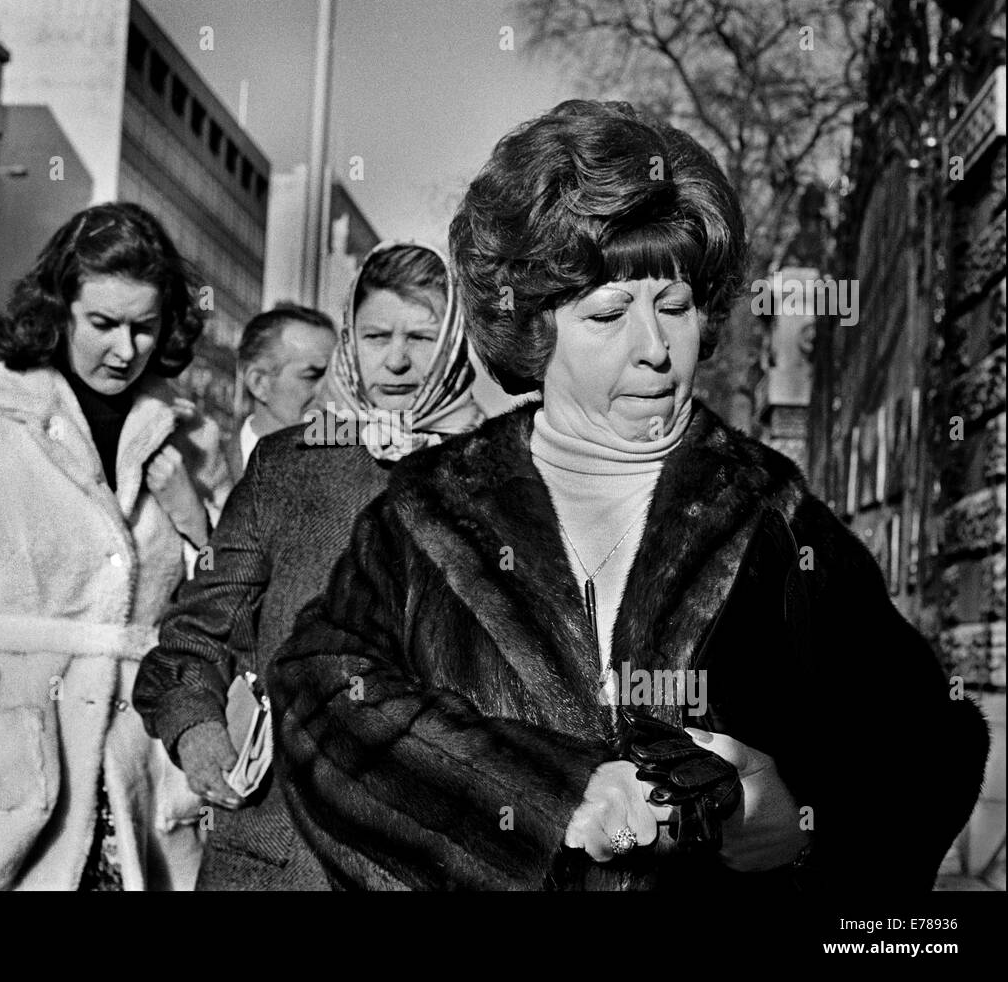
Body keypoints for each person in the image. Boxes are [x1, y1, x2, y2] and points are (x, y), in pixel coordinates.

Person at [271, 100, 990, 891]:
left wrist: (807, 816)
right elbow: (320, 691)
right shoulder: (427, 514)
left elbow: (936, 744)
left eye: (675, 306)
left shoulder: (769, 520)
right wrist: (539, 792)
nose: (656, 349)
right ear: (537, 332)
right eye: (610, 313)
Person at [0, 203, 232, 891]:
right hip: (9, 790)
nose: (126, 348)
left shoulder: (197, 445)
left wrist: (195, 520)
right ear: (59, 311)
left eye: (145, 326)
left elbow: (226, 615)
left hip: (143, 792)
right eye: (104, 323)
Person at [132, 240, 483, 889]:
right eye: (377, 335)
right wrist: (197, 728)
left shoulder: (507, 483)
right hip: (275, 855)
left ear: (459, 341)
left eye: (422, 336)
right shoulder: (287, 465)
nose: (398, 359)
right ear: (352, 341)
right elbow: (193, 632)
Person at [231, 303, 336, 479]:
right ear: (259, 383)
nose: (332, 392)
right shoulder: (200, 469)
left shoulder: (353, 473)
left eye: (336, 379)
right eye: (312, 376)